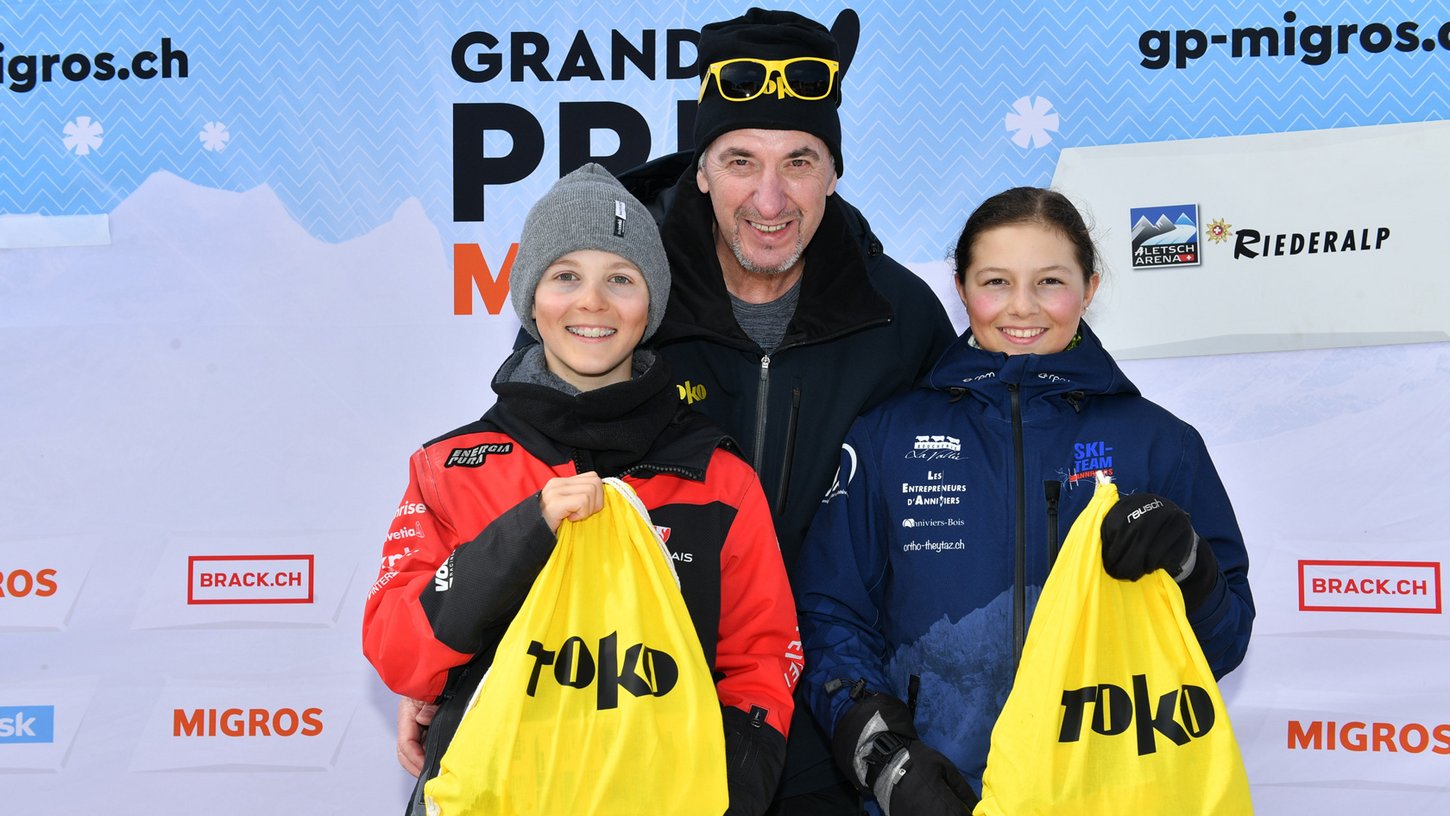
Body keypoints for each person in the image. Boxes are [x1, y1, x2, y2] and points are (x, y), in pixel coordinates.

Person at [398, 9, 958, 814]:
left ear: (834, 171)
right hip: (621, 717)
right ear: (701, 170)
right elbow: (523, 473)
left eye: (799, 161)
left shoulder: (898, 317)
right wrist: (451, 662)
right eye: (741, 161)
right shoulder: (614, 297)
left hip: (828, 727)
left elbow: (952, 498)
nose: (770, 198)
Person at [794, 187, 1255, 814]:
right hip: (940, 795)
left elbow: (1224, 645)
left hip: (1112, 792)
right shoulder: (887, 437)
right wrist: (887, 762)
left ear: (1089, 289)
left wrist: (1189, 564)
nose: (1022, 306)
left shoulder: (1160, 443)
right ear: (961, 288)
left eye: (1050, 281)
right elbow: (829, 617)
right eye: (996, 281)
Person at [363, 163, 802, 815]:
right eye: (565, 276)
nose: (592, 302)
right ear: (530, 299)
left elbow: (761, 661)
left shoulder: (716, 476)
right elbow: (400, 653)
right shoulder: (450, 467)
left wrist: (728, 797)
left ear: (650, 303)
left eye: (620, 279)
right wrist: (524, 532)